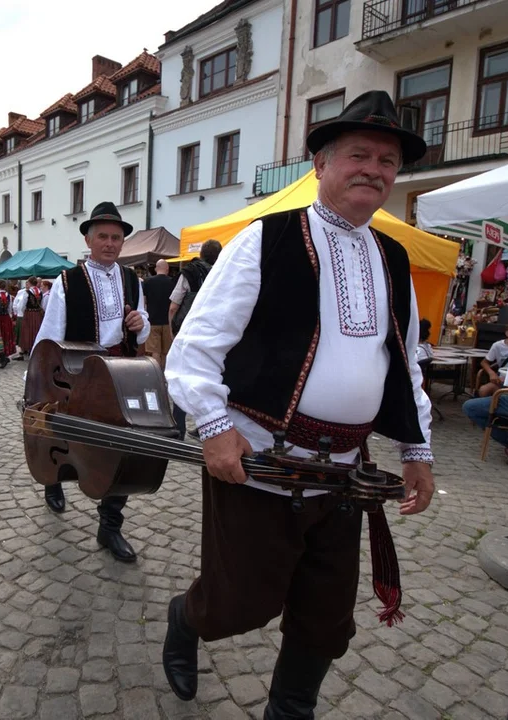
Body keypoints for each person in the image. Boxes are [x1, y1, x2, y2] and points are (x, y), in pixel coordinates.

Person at [160, 91, 436, 716]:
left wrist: (415, 448)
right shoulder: (268, 239)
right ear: (320, 164)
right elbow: (194, 347)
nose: (374, 169)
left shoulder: (394, 259)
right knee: (238, 604)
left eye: (388, 160)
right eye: (359, 155)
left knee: (325, 616)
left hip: (345, 474)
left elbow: (405, 361)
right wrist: (212, 426)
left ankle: (291, 711)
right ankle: (185, 618)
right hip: (259, 462)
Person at [32, 201, 150, 563]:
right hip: (78, 374)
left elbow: (143, 324)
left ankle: (110, 526)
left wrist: (138, 324)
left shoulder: (133, 280)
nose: (111, 243)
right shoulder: (67, 282)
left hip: (121, 373)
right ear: (88, 239)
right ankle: (53, 479)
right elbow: (50, 334)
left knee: (127, 445)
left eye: (116, 237)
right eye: (103, 236)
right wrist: (37, 379)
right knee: (63, 433)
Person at [168, 240, 222, 438]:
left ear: (201, 253)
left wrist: (173, 331)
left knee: (181, 378)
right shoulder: (221, 273)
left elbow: (174, 306)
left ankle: (179, 427)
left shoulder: (189, 272)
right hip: (212, 333)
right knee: (208, 380)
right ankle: (206, 426)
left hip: (187, 332)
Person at [142, 259, 175, 369]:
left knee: (155, 351)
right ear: (167, 269)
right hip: (168, 322)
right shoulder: (173, 282)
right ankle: (164, 375)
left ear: (156, 268)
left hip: (152, 321)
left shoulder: (147, 282)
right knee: (166, 351)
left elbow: (143, 301)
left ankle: (156, 375)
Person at [477, 321, 508, 397]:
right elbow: (484, 362)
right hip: (501, 379)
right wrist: (491, 373)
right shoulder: (498, 345)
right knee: (484, 390)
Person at [18, 276, 44, 359]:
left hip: (29, 313)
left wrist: (22, 312)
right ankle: (33, 348)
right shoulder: (40, 292)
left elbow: (22, 305)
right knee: (35, 330)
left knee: (27, 330)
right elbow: (42, 304)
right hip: (37, 314)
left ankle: (25, 349)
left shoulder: (27, 292)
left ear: (30, 283)